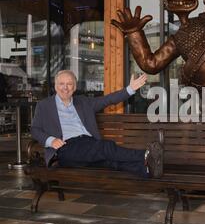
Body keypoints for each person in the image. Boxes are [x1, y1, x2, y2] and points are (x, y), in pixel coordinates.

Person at [31, 70, 163, 178]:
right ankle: (145, 155)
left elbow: (108, 100)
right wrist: (51, 140)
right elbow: (35, 129)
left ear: (75, 87)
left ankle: (145, 170)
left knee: (108, 161)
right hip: (65, 148)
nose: (65, 88)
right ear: (55, 86)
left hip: (88, 144)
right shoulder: (44, 105)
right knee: (105, 148)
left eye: (69, 84)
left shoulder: (83, 102)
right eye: (61, 84)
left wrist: (130, 89)